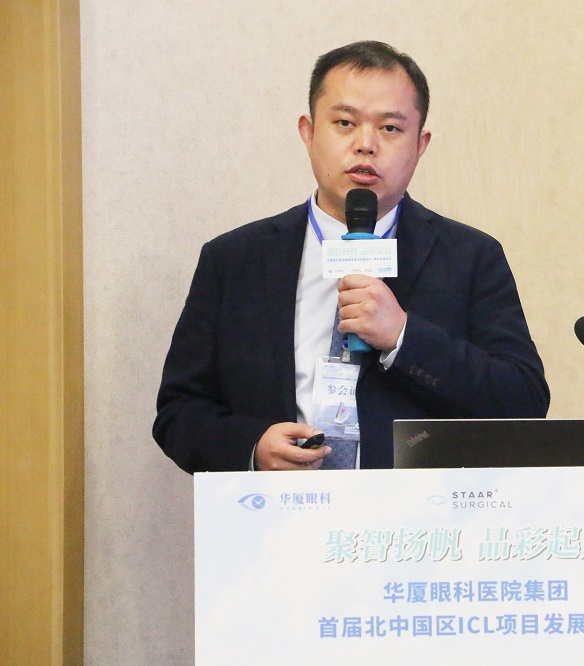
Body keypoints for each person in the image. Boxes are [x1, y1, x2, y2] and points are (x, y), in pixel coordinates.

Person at [153, 41, 548, 473]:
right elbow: (179, 412)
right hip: (277, 510)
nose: (365, 145)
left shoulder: (470, 257)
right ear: (308, 132)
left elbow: (524, 401)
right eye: (344, 123)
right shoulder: (234, 260)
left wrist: (403, 337)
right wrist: (253, 449)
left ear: (420, 145)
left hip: (415, 512)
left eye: (390, 128)